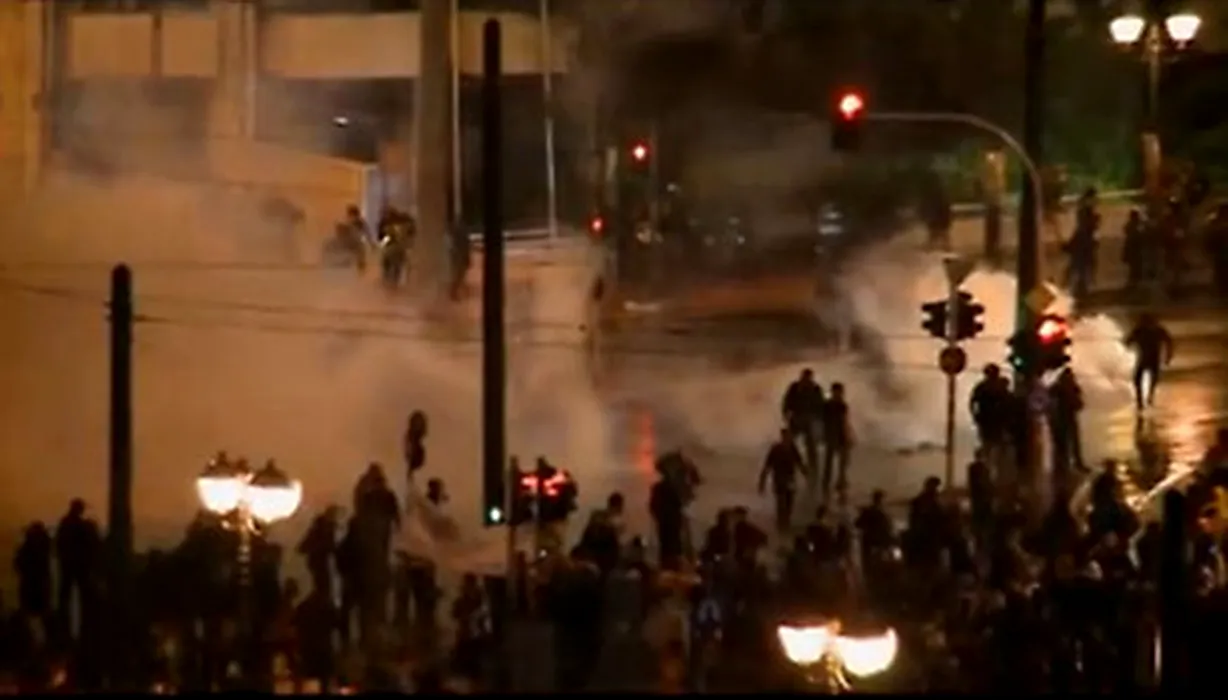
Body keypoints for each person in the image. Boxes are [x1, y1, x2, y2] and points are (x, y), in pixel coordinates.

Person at [781, 368, 825, 479]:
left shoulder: (815, 389)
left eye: (808, 378)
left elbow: (821, 406)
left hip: (809, 421)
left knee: (811, 447)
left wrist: (819, 421)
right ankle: (797, 465)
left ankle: (813, 471)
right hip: (797, 419)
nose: (806, 381)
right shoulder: (795, 387)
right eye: (804, 378)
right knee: (789, 443)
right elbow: (787, 401)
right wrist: (785, 414)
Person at [1124, 313, 1174, 410]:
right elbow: (1169, 342)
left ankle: (1145, 399)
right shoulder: (1148, 330)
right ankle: (1144, 400)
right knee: (1141, 379)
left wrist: (1168, 356)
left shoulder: (1145, 330)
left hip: (1148, 359)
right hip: (1149, 359)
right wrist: (1168, 356)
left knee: (1141, 379)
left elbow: (1128, 342)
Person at [759, 428, 805, 532]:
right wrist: (762, 482)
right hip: (779, 480)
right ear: (783, 436)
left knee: (789, 502)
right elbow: (767, 466)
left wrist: (806, 475)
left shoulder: (792, 448)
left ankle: (785, 522)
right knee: (781, 502)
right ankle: (781, 524)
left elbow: (800, 463)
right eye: (787, 436)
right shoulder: (776, 449)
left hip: (789, 479)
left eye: (790, 436)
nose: (788, 438)